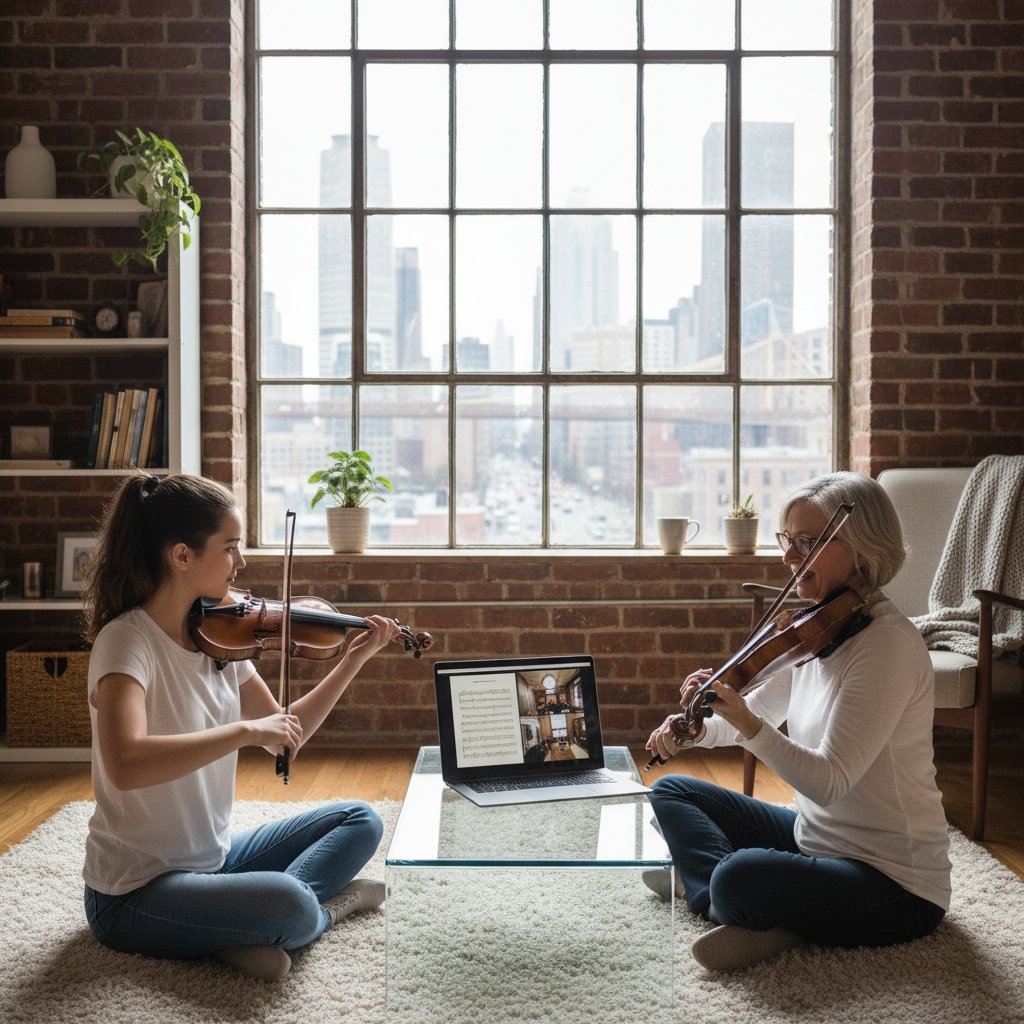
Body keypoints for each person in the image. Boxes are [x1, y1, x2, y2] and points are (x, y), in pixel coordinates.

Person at [81, 473, 400, 982]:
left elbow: (285, 735)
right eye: (230, 548)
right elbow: (126, 764)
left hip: (215, 860)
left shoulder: (222, 636)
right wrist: (243, 732)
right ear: (181, 556)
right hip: (133, 894)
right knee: (292, 904)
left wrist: (351, 661)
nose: (242, 564)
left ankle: (236, 928)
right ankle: (308, 915)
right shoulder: (127, 643)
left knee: (361, 820)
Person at [644, 471, 951, 973]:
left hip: (894, 884)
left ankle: (734, 899)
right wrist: (702, 728)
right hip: (817, 840)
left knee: (740, 876)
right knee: (674, 791)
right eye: (789, 540)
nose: (789, 557)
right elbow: (758, 713)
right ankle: (757, 910)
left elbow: (829, 783)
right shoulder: (819, 629)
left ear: (862, 550)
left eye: (809, 542)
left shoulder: (886, 646)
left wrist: (746, 723)